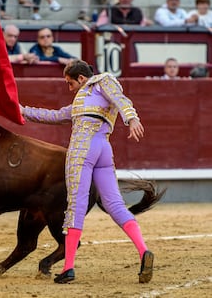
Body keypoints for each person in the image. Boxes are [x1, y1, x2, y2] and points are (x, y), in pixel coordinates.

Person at [20, 59, 153, 284]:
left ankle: (68, 267)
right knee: (115, 205)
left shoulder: (102, 81)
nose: (69, 88)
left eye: (70, 83)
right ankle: (143, 251)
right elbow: (52, 116)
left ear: (81, 78)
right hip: (103, 148)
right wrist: (20, 110)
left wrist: (132, 118)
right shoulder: (81, 103)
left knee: (76, 205)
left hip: (83, 148)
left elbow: (121, 99)